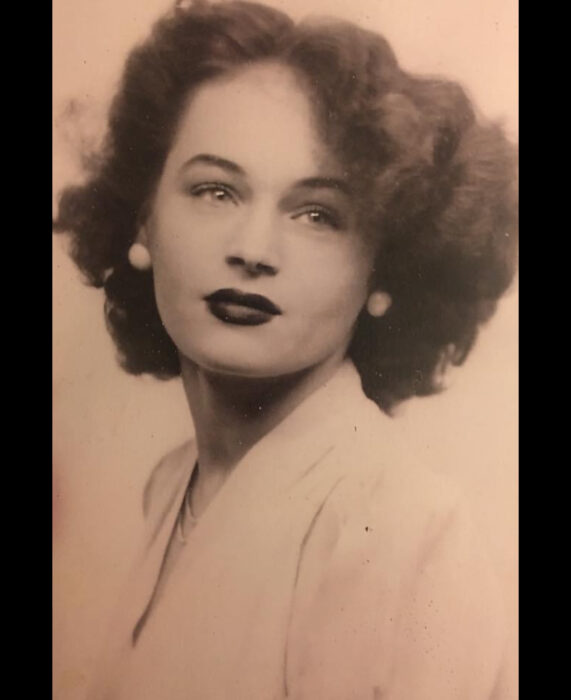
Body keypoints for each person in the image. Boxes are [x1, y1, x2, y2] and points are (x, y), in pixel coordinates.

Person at [53, 0, 518, 698]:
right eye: (215, 191)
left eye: (316, 215)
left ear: (383, 269)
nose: (251, 251)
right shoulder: (168, 488)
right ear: (144, 217)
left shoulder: (400, 533)